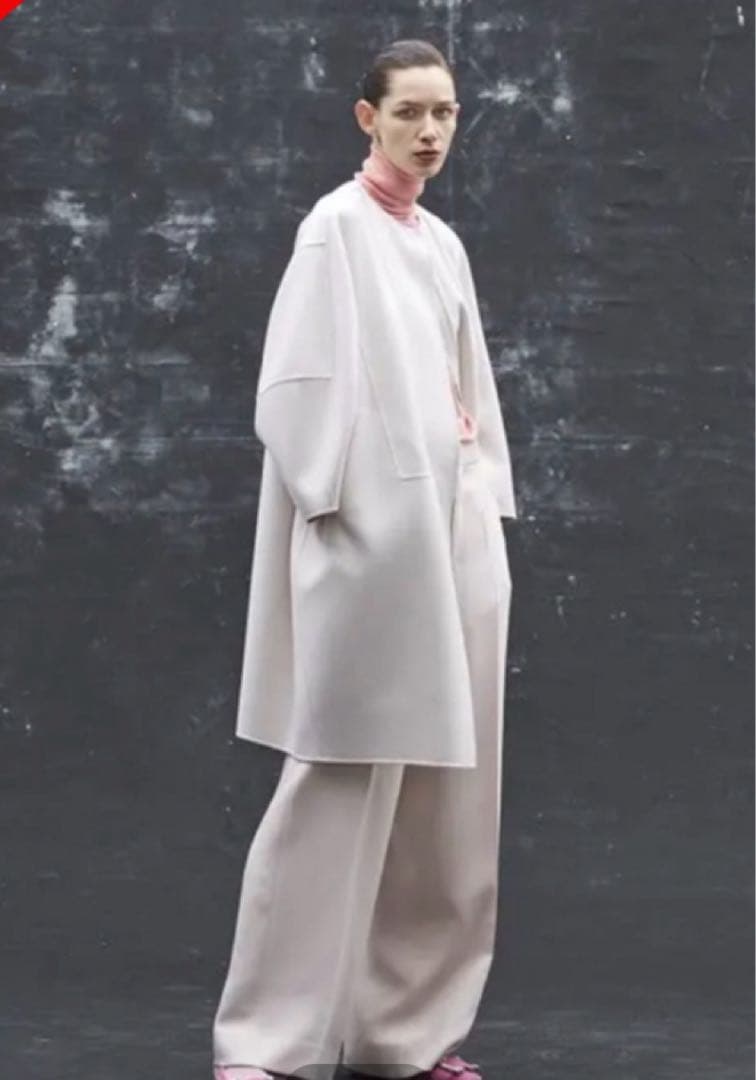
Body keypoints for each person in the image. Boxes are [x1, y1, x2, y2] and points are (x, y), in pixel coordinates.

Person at [212, 38, 518, 1080]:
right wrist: (341, 507)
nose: (430, 132)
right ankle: (264, 1042)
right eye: (410, 112)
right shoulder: (334, 228)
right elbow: (294, 392)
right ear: (367, 118)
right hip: (372, 542)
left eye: (445, 113)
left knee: (450, 801)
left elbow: (469, 388)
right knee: (336, 779)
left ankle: (407, 1036)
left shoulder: (441, 242)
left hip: (453, 533)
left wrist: (478, 508)